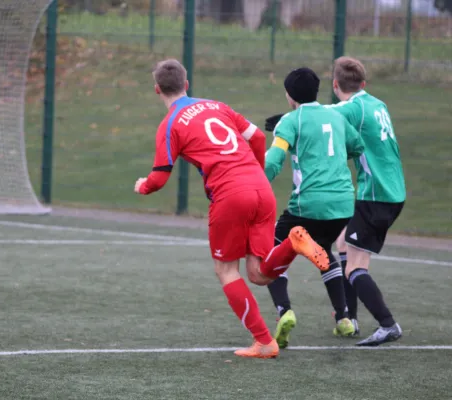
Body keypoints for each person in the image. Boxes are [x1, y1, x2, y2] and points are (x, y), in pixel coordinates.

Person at [133, 59, 330, 359]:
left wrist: (142, 186)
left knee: (225, 270)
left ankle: (264, 341)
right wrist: (253, 170)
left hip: (231, 195)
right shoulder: (218, 106)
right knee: (259, 273)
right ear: (186, 84)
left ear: (156, 90)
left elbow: (159, 178)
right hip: (261, 188)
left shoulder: (170, 124)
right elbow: (259, 137)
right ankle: (291, 243)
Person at [263, 67, 365, 349]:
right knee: (321, 249)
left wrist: (257, 184)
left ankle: (284, 311)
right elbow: (356, 147)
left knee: (270, 253)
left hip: (307, 205)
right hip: (343, 204)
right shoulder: (336, 116)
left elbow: (273, 161)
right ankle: (343, 318)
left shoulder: (289, 121)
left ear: (289, 95)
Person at [329, 56, 405, 346]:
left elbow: (324, 115)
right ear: (364, 83)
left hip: (376, 195)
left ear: (336, 85)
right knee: (343, 243)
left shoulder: (353, 108)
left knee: (354, 268)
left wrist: (290, 121)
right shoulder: (377, 104)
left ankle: (388, 325)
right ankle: (351, 319)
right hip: (391, 192)